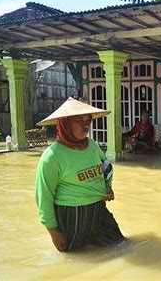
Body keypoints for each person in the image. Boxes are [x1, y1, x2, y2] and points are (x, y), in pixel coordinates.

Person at [35, 97, 124, 252]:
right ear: (65, 124)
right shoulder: (52, 156)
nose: (86, 124)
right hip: (72, 216)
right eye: (78, 120)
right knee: (74, 258)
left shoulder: (92, 146)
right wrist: (53, 232)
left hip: (99, 211)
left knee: (121, 246)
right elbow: (44, 196)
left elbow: (106, 167)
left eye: (88, 120)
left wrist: (107, 188)